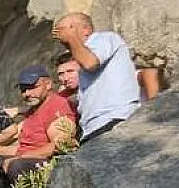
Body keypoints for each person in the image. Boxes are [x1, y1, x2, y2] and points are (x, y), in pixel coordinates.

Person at [0, 65, 75, 187]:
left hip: (44, 164)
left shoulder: (58, 106)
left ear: (48, 84)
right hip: (25, 159)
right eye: (23, 89)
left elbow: (60, 145)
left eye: (32, 87)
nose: (27, 93)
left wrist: (19, 158)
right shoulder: (33, 111)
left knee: (17, 166)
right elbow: (24, 145)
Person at [52, 12, 140, 142]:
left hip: (113, 119)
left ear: (86, 29)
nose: (62, 36)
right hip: (93, 128)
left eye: (68, 28)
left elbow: (90, 63)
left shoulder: (103, 38)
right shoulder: (81, 56)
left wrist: (71, 38)